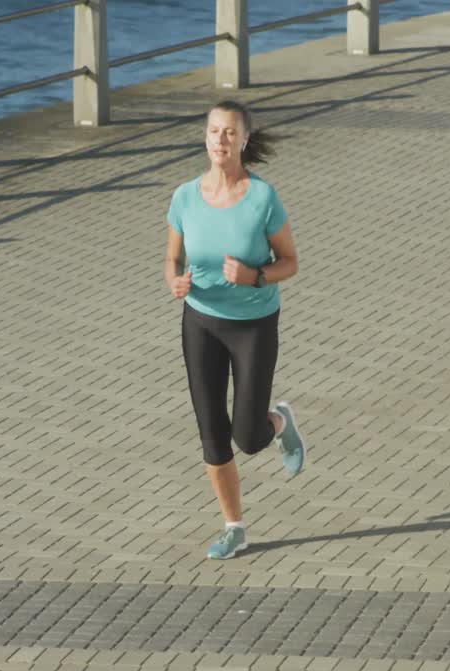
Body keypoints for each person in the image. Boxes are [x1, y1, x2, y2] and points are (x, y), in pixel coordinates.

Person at [164, 100, 306, 560]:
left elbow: (290, 262)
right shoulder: (185, 197)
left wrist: (255, 276)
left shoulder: (262, 199)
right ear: (205, 137)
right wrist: (174, 281)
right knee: (212, 431)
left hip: (253, 325)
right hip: (200, 322)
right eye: (213, 131)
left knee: (248, 438)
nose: (220, 139)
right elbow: (172, 258)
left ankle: (279, 422)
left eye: (229, 132)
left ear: (244, 139)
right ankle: (234, 527)